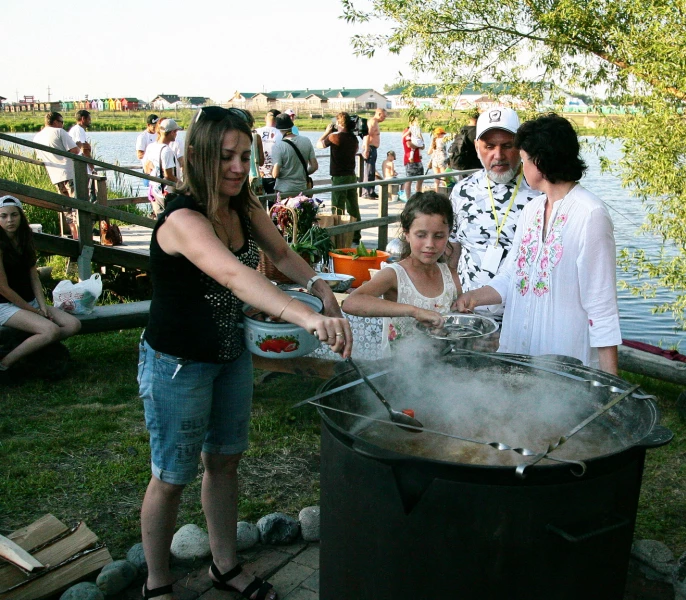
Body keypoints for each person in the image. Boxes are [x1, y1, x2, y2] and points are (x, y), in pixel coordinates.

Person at [137, 106, 352, 600]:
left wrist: (319, 285)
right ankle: (157, 583)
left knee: (225, 462)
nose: (238, 167)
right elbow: (237, 276)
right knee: (171, 476)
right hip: (177, 365)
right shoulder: (182, 219)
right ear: (196, 156)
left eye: (243, 156)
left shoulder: (243, 204)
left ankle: (225, 566)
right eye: (225, 157)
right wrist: (309, 318)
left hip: (230, 353)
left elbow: (280, 254)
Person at [453, 114, 621, 373]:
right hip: (521, 348)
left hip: (565, 356)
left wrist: (612, 385)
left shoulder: (590, 214)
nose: (521, 164)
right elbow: (512, 276)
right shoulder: (532, 210)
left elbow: (602, 306)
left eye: (524, 157)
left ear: (540, 162)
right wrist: (474, 296)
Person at [446, 107, 540, 324]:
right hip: (470, 317)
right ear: (477, 148)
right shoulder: (462, 191)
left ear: (521, 148)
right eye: (489, 146)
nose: (498, 155)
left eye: (507, 146)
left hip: (523, 319)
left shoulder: (541, 192)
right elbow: (453, 252)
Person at [342, 191, 460, 354]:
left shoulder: (451, 276)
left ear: (449, 234)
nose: (430, 244)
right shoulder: (395, 274)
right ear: (406, 233)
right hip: (399, 369)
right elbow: (351, 303)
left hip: (441, 367)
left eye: (439, 236)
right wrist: (414, 311)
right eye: (421, 235)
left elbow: (459, 324)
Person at [0, 195, 81, 383]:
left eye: (14, 215)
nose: (9, 220)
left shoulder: (25, 239)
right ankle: (5, 363)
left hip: (30, 302)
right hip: (5, 305)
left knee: (73, 325)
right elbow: (3, 289)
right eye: (3, 216)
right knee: (50, 331)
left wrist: (42, 306)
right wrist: (34, 312)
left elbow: (33, 276)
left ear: (21, 216)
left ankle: (31, 350)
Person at [33, 112, 82, 237]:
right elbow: (75, 150)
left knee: (66, 206)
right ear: (55, 122)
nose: (62, 124)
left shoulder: (37, 137)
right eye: (61, 122)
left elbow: (39, 157)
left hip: (55, 176)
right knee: (78, 204)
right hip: (69, 173)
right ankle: (82, 234)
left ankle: (74, 233)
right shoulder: (59, 132)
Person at [316, 112, 360, 244]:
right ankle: (356, 234)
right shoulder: (354, 139)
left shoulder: (335, 137)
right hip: (352, 175)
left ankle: (339, 234)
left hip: (339, 177)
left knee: (338, 206)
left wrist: (327, 132)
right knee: (353, 206)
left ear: (339, 124)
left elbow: (319, 144)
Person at [271, 114, 317, 198]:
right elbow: (314, 166)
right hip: (302, 189)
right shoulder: (306, 141)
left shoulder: (278, 146)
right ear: (292, 125)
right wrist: (302, 173)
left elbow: (275, 174)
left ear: (277, 128)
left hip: (284, 190)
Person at [143, 119, 181, 216]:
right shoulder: (167, 151)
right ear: (172, 132)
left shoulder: (151, 147)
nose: (176, 134)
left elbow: (147, 167)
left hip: (155, 189)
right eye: (176, 132)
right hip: (167, 192)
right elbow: (168, 175)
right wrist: (182, 184)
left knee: (160, 219)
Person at [256, 109, 283, 194]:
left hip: (257, 174)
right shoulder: (282, 133)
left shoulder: (256, 132)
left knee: (258, 203)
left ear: (265, 118)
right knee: (274, 203)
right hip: (275, 174)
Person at [361, 108, 386, 199]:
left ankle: (371, 191)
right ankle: (366, 192)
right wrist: (367, 149)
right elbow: (367, 135)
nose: (385, 118)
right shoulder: (373, 122)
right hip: (370, 148)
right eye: (384, 116)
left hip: (373, 148)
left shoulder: (376, 123)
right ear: (379, 114)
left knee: (372, 171)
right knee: (369, 171)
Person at [401, 115, 425, 200]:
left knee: (421, 178)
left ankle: (418, 197)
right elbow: (409, 144)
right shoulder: (407, 131)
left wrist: (420, 144)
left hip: (418, 160)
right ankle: (408, 198)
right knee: (409, 180)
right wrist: (417, 146)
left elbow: (422, 146)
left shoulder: (417, 132)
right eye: (416, 121)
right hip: (409, 159)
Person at [428, 126, 449, 191]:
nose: (443, 135)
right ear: (440, 134)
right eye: (442, 134)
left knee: (437, 179)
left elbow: (429, 152)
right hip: (442, 160)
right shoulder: (443, 140)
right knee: (444, 178)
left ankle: (436, 193)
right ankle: (445, 193)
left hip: (434, 161)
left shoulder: (434, 141)